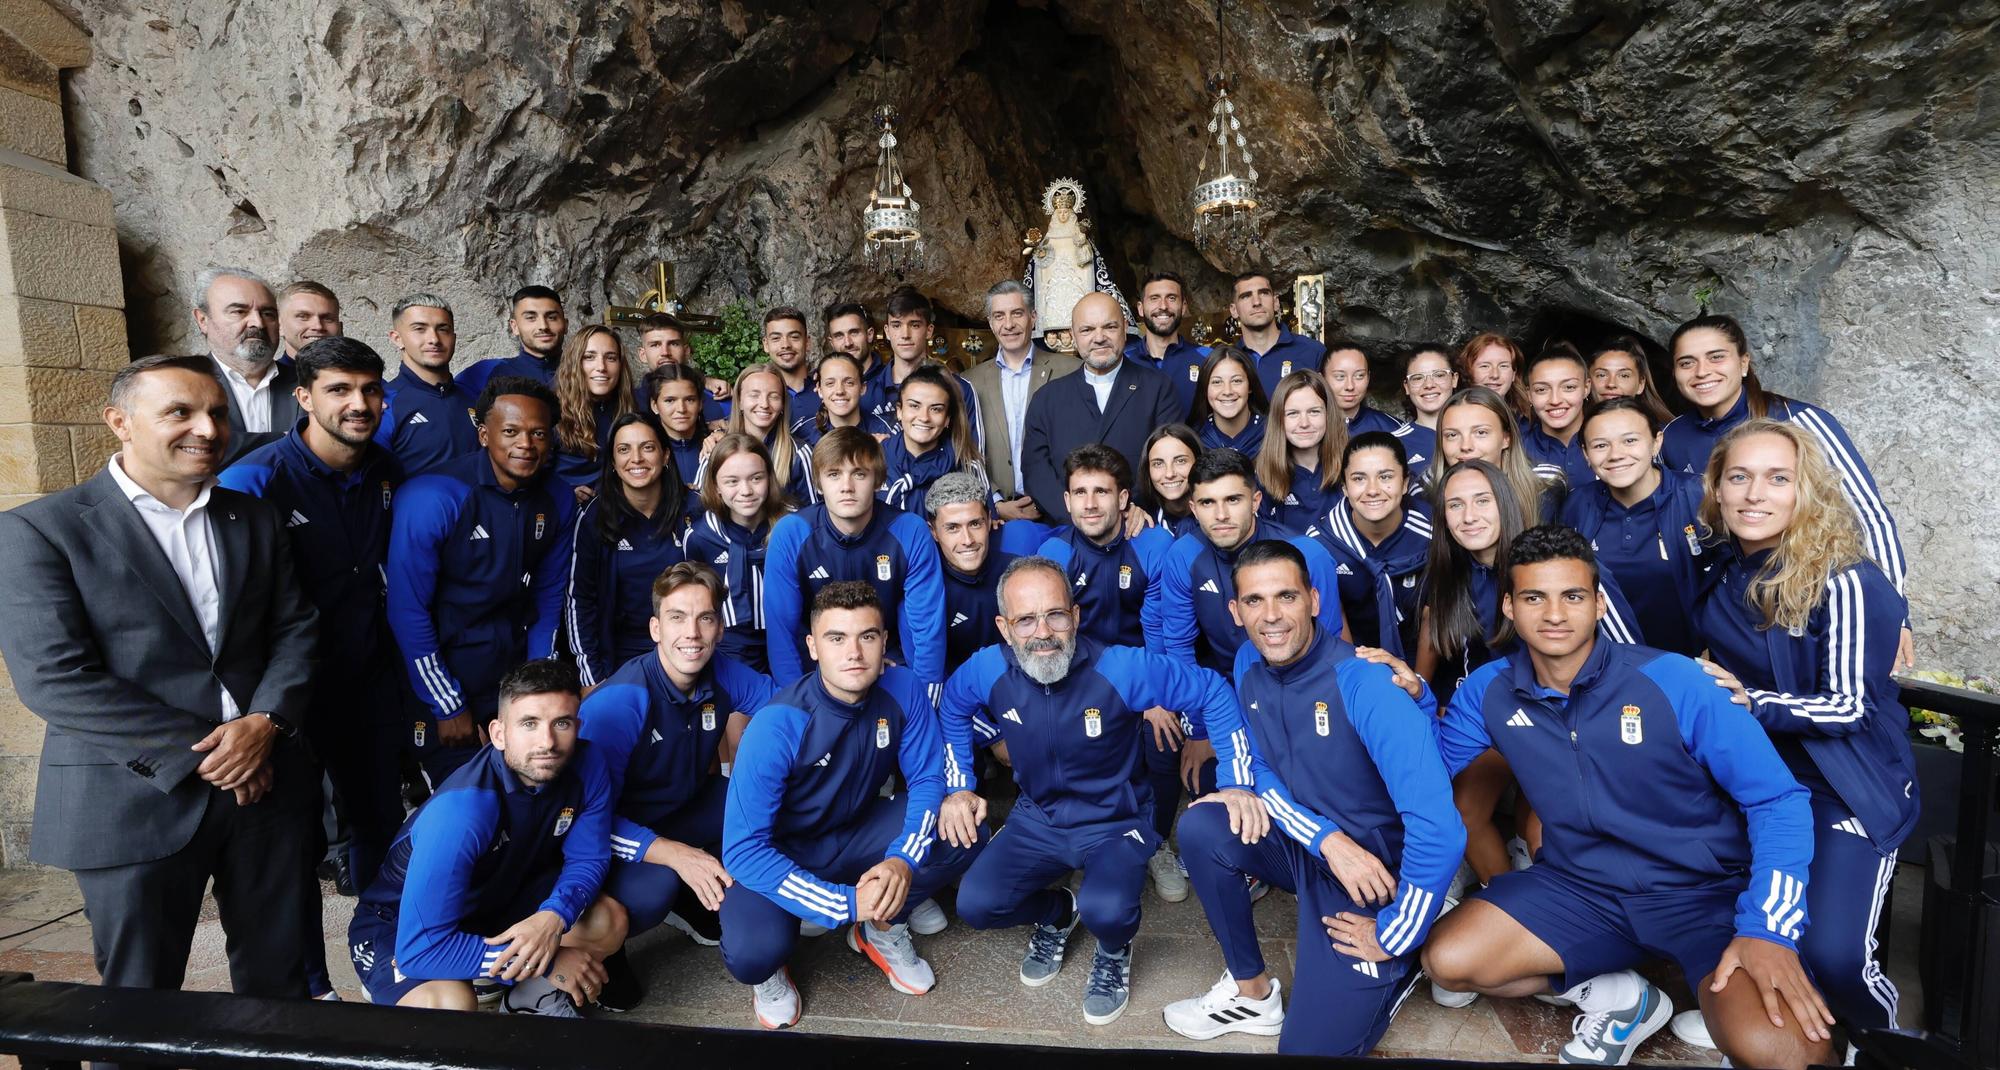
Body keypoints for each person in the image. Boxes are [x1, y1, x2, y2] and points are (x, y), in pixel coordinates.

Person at [1422, 525, 1832, 1070]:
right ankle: (1624, 998)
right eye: (1533, 598)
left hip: (1701, 894)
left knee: (1783, 1053)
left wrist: (1769, 928)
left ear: (1597, 602)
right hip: (1581, 889)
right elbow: (1423, 773)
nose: (1553, 614)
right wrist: (1402, 695)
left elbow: (1777, 801)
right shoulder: (1488, 690)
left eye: (1572, 596)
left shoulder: (1676, 681)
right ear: (1509, 607)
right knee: (1449, 959)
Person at [0, 354, 320, 1019]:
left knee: (282, 994)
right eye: (180, 411)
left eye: (217, 413)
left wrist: (265, 725)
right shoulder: (40, 530)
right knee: (137, 1008)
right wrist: (216, 753)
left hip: (264, 786)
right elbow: (56, 679)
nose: (206, 428)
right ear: (119, 421)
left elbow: (296, 630)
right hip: (132, 795)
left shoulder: (252, 517)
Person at [1163, 540, 1463, 1055]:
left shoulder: (1365, 682)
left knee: (1307, 1051)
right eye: (1254, 602)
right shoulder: (1247, 663)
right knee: (1201, 825)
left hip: (1375, 879)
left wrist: (1395, 933)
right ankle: (1250, 990)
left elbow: (1440, 828)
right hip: (1315, 849)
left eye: (1286, 597)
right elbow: (1256, 766)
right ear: (1235, 611)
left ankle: (1416, 940)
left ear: (1315, 601)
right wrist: (1326, 840)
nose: (1271, 616)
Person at [938, 556, 1248, 1025]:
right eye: (1025, 619)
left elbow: (1212, 690)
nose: (1042, 632)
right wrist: (960, 785)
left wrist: (1237, 785)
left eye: (1055, 614)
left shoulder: (1120, 667)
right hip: (1037, 818)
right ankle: (1060, 910)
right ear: (1004, 627)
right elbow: (952, 708)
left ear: (1076, 617)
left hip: (1116, 820)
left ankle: (1112, 948)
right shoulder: (986, 669)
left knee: (1109, 911)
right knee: (975, 904)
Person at [1689, 419, 1916, 1043]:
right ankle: (1761, 1018)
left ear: (1804, 491)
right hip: (1757, 780)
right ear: (1717, 488)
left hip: (1845, 786)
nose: (1753, 493)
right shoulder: (1722, 567)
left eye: (1776, 478)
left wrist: (1746, 701)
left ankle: (1880, 1045)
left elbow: (1848, 710)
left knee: (1835, 954)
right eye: (1738, 477)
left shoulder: (1844, 579)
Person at [216, 337, 407, 997]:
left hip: (369, 680)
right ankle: (310, 987)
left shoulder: (385, 467)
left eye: (370, 391)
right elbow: (229, 611)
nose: (359, 404)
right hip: (288, 696)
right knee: (293, 843)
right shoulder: (257, 479)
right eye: (340, 390)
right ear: (303, 396)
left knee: (380, 824)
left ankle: (389, 956)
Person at [720, 582, 985, 1027]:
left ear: (884, 642)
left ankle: (879, 928)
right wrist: (842, 904)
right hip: (784, 854)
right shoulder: (778, 724)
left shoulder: (902, 687)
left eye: (867, 636)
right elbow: (743, 851)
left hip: (856, 834)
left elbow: (925, 779)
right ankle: (781, 962)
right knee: (752, 955)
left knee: (964, 829)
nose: (854, 652)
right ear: (813, 647)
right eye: (836, 638)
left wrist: (903, 860)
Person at [1415, 461, 1641, 909]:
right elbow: (1438, 640)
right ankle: (1514, 910)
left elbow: (1632, 661)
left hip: (1570, 719)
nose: (1469, 516)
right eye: (1455, 505)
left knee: (1543, 823)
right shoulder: (1451, 575)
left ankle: (1569, 912)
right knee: (1463, 811)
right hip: (1500, 721)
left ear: (1506, 501)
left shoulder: (1553, 564)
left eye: (1483, 501)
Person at [348, 659, 628, 1017]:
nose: (547, 742)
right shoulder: (462, 812)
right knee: (450, 1004)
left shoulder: (588, 763)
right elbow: (420, 949)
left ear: (578, 725)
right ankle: (431, 986)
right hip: (401, 929)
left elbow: (588, 860)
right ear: (498, 733)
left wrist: (554, 918)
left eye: (561, 723)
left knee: (607, 921)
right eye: (529, 723)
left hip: (492, 903)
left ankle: (525, 997)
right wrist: (547, 958)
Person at [578, 563, 777, 1009]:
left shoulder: (722, 671)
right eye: (677, 617)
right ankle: (607, 952)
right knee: (654, 890)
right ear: (655, 628)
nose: (693, 632)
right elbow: (583, 819)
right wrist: (675, 854)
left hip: (682, 805)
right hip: (613, 831)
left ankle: (692, 900)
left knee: (753, 808)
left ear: (719, 628)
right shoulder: (620, 703)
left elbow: (789, 709)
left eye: (705, 618)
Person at [388, 375, 575, 780]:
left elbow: (549, 595)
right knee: (463, 799)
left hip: (511, 676)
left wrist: (535, 682)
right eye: (510, 431)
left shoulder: (558, 497)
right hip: (445, 677)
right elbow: (407, 610)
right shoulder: (434, 495)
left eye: (538, 433)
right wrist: (447, 704)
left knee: (528, 794)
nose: (525, 444)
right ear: (483, 434)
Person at [1659, 314, 1908, 614]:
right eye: (1687, 362)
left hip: (1806, 592)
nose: (1702, 371)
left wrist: (1895, 608)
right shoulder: (1673, 436)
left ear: (1743, 363)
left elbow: (1868, 513)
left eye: (1716, 357)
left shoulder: (1799, 420)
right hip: (1727, 600)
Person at [1156, 449, 1353, 815]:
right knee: (1211, 790)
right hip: (1228, 694)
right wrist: (1200, 730)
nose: (1221, 515)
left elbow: (1327, 652)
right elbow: (1179, 648)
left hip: (1300, 697)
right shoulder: (1183, 556)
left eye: (1233, 499)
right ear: (1193, 508)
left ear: (1256, 500)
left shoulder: (1305, 554)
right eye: (1208, 502)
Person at [1033, 446, 1182, 893]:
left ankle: (1155, 842)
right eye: (1080, 492)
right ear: (1066, 500)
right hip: (1078, 676)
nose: (1091, 503)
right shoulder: (1055, 552)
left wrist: (1155, 697)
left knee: (1163, 735)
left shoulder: (1153, 544)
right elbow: (1049, 641)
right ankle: (1083, 838)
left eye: (1102, 491)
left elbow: (1161, 629)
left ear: (1124, 499)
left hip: (1141, 671)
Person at [761, 428, 946, 688]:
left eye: (859, 474)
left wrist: (922, 695)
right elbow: (782, 634)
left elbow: (925, 632)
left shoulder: (909, 531)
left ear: (879, 480)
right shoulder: (791, 533)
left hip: (888, 662)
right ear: (818, 483)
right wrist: (797, 701)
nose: (847, 487)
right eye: (834, 475)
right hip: (815, 671)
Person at [1020, 292, 1185, 526]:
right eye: (1087, 330)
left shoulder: (1158, 388)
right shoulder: (1047, 399)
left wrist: (1125, 509)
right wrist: (1078, 516)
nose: (1099, 338)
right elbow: (1035, 470)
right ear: (1073, 335)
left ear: (1125, 328)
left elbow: (1170, 460)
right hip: (1067, 529)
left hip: (1135, 525)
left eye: (1109, 327)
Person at [1560, 398, 1707, 657]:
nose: (1615, 454)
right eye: (1600, 445)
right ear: (1585, 454)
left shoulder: (1698, 495)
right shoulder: (1578, 504)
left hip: (1688, 663)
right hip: (1606, 664)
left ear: (1656, 442)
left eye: (1630, 440)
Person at [565, 414, 687, 689]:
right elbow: (579, 601)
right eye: (624, 449)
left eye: (647, 447)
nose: (636, 459)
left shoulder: (694, 510)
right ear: (613, 463)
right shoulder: (595, 517)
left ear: (665, 455)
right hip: (620, 657)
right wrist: (591, 678)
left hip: (688, 649)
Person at [967, 279, 1080, 523]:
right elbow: (965, 449)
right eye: (999, 316)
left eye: (1017, 313)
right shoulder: (969, 383)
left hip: (1061, 511)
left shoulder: (1072, 371)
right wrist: (994, 503)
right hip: (998, 515)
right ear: (990, 322)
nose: (1008, 324)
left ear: (1033, 317)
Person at [1313, 431, 1433, 658]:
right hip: (1351, 657)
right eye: (1359, 479)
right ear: (1345, 488)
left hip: (1420, 656)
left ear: (1405, 482)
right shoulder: (1323, 541)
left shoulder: (1433, 531)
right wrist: (1356, 676)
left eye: (1386, 477)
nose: (1372, 490)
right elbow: (1334, 620)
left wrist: (1419, 686)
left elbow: (1434, 617)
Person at [683, 433, 791, 673]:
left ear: (770, 479)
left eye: (756, 478)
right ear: (716, 487)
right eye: (732, 481)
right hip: (731, 644)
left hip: (789, 636)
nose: (746, 490)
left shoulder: (792, 526)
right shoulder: (701, 537)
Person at [191, 266, 298, 465]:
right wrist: (292, 440)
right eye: (239, 311)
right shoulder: (185, 385)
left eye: (268, 313)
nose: (257, 323)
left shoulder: (310, 383)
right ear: (203, 320)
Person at [860, 287, 983, 446]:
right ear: (887, 332)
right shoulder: (866, 392)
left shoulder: (960, 389)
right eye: (896, 325)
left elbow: (972, 455)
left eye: (915, 325)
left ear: (929, 330)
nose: (905, 334)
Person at [377, 293, 480, 476]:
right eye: (419, 329)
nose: (434, 339)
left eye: (443, 329)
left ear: (454, 337)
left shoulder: (474, 398)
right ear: (396, 338)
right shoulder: (384, 404)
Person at [928, 471, 1015, 675]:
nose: (967, 539)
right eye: (952, 528)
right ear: (933, 531)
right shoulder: (926, 588)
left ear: (989, 520)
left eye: (975, 524)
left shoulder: (1017, 573)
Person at [1436, 386, 1565, 521]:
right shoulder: (1425, 490)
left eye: (1481, 433)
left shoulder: (1544, 483)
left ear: (1506, 438)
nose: (1465, 446)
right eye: (1452, 435)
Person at [698, 363, 816, 505]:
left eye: (774, 396)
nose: (764, 404)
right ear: (740, 401)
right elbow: (701, 508)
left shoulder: (799, 454)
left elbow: (813, 516)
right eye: (754, 395)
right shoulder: (715, 448)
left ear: (783, 404)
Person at [880, 365, 990, 516]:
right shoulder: (873, 458)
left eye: (936, 409)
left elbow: (983, 527)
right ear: (899, 411)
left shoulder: (967, 466)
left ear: (947, 419)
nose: (924, 417)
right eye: (914, 406)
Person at [552, 324, 637, 494]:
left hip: (618, 503)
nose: (601, 367)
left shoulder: (634, 405)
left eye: (611, 358)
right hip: (568, 509)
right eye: (589, 357)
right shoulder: (550, 409)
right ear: (575, 362)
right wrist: (564, 495)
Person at [1256, 370, 1345, 531]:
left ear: (1328, 414)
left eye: (1314, 412)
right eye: (1293, 413)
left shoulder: (1352, 465)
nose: (1304, 423)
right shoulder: (1262, 476)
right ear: (1279, 420)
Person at [455, 285, 569, 396]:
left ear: (565, 325)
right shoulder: (486, 372)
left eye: (552, 318)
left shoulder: (584, 370)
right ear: (514, 327)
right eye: (530, 318)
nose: (543, 326)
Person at [1124, 271, 1210, 415]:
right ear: (1140, 308)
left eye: (1171, 298)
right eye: (1154, 298)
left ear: (1183, 307)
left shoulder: (1207, 359)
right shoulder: (1124, 362)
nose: (1163, 306)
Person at [1229, 271, 1325, 394]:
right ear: (1234, 310)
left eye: (1264, 293)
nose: (1257, 302)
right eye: (1246, 296)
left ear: (1276, 303)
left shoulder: (1312, 351)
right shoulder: (1227, 359)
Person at [1521, 343, 1596, 488]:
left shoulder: (1612, 441)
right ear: (1529, 395)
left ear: (1586, 388)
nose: (1555, 400)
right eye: (1542, 389)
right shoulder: (1516, 447)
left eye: (1569, 387)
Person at [635, 312, 726, 425]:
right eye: (655, 345)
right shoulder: (630, 402)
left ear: (686, 351)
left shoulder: (712, 397)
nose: (665, 353)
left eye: (673, 344)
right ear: (642, 354)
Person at [1395, 342, 1457, 483]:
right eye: (1417, 378)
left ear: (1454, 379)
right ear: (1407, 387)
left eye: (1439, 375)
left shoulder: (1477, 432)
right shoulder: (1394, 444)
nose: (1429, 385)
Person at [1190, 347, 1269, 456]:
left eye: (1236, 381)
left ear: (1250, 386)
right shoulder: (1194, 440)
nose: (1227, 391)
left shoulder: (1271, 433)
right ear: (1205, 388)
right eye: (1217, 382)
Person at [643, 362, 709, 488]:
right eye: (670, 400)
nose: (681, 409)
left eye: (690, 400)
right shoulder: (644, 453)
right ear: (654, 405)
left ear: (700, 403)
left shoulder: (715, 446)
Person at [1586, 336, 1673, 425]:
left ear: (1640, 384)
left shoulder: (1666, 432)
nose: (1611, 384)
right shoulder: (1575, 431)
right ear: (1587, 382)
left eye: (1624, 376)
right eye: (1601, 375)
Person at [1325, 340, 1403, 436]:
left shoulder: (1392, 429)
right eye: (1340, 376)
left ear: (1368, 377)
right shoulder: (1308, 427)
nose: (1350, 386)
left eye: (1359, 376)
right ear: (1321, 378)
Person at [792, 352, 867, 448]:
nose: (839, 391)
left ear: (862, 388)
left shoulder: (885, 433)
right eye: (830, 383)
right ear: (819, 390)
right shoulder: (804, 435)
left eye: (849, 382)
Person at [1141, 423, 1203, 539]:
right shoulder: (1141, 520)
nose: (1169, 474)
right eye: (1158, 464)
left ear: (1199, 462)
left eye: (1180, 461)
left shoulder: (1220, 514)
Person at [760, 306, 820, 424]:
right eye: (776, 338)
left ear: (807, 342)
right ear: (766, 345)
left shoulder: (827, 390)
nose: (786, 345)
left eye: (794, 337)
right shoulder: (758, 399)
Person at [1457, 331, 1528, 417]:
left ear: (1513, 374)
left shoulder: (1528, 422)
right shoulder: (1452, 419)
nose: (1495, 375)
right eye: (1485, 366)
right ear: (1468, 371)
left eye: (1503, 366)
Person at [275, 280, 342, 367]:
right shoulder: (267, 379)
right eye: (303, 316)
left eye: (327, 319)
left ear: (340, 327)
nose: (318, 326)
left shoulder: (359, 376)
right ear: (279, 326)